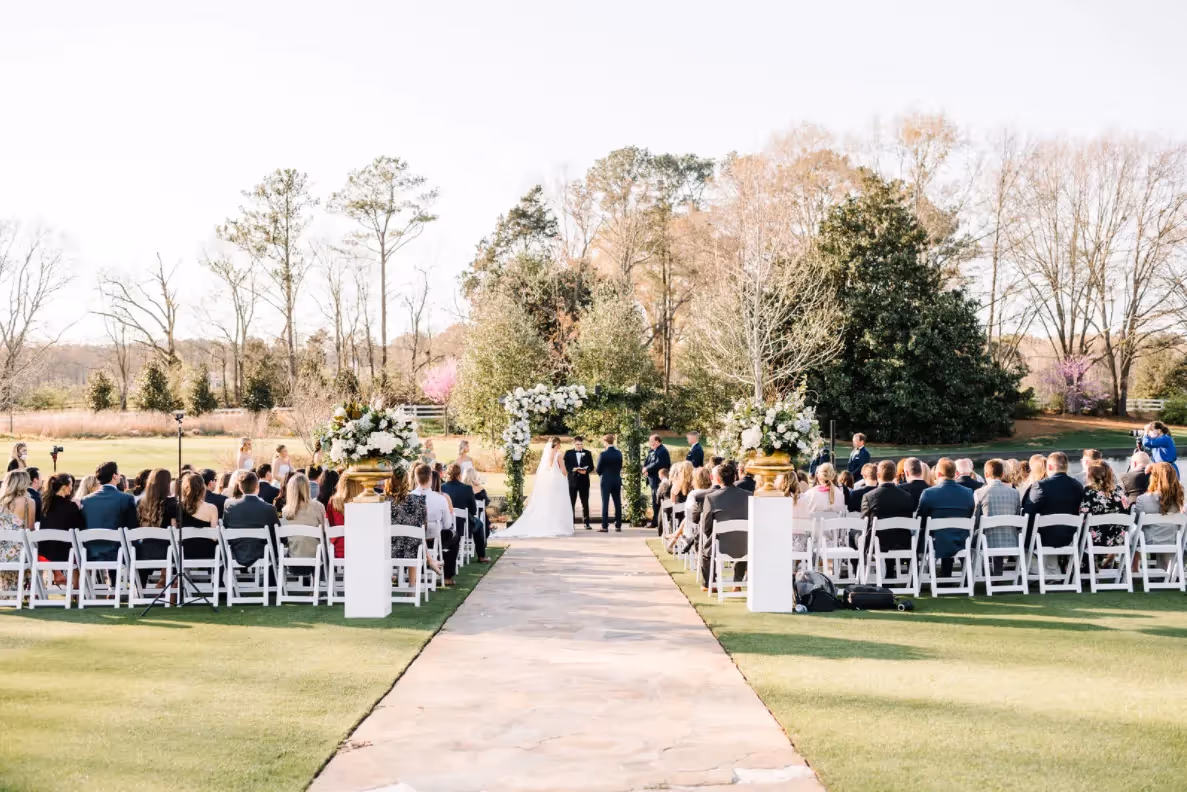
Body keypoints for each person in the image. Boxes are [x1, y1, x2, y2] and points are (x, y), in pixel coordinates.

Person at [500, 437, 574, 539]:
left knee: (549, 502)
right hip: (558, 481)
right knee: (558, 502)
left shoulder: (547, 455)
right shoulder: (559, 454)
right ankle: (557, 525)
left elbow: (547, 468)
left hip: (549, 482)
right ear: (557, 444)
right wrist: (568, 473)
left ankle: (548, 524)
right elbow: (564, 471)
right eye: (559, 444)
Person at [916, 458, 975, 578]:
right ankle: (946, 575)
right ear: (956, 473)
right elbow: (970, 514)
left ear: (938, 474)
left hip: (936, 542)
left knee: (921, 533)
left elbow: (920, 519)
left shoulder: (928, 493)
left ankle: (916, 576)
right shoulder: (968, 492)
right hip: (960, 540)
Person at [1022, 452, 1084, 562]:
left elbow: (1028, 511)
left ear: (1049, 466)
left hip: (1043, 538)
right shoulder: (1077, 486)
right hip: (1070, 538)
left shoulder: (1040, 485)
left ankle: (1035, 569)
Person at [698, 461, 751, 588]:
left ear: (718, 479)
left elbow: (706, 526)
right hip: (746, 545)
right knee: (743, 539)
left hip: (721, 546)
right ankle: (737, 581)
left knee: (705, 548)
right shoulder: (749, 495)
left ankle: (709, 584)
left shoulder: (711, 498)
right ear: (735, 477)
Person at [861, 460, 917, 577]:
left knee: (856, 535)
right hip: (903, 541)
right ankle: (890, 571)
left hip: (878, 542)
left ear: (878, 475)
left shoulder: (869, 496)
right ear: (895, 475)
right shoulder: (907, 496)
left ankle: (860, 572)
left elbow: (864, 524)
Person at [386, 467, 442, 586]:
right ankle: (413, 583)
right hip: (413, 550)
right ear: (407, 482)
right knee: (415, 537)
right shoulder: (418, 500)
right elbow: (423, 527)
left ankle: (389, 578)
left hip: (387, 549)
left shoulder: (382, 501)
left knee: (410, 538)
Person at [79, 462, 138, 570]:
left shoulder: (85, 500)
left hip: (90, 553)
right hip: (117, 553)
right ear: (114, 476)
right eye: (118, 473)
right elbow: (132, 528)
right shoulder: (126, 499)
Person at [222, 472, 280, 569]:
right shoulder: (269, 508)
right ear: (258, 486)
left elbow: (225, 526)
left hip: (236, 552)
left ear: (240, 487)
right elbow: (277, 533)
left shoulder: (229, 505)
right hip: (262, 553)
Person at [974, 459, 1023, 574]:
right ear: (1002, 474)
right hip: (1011, 540)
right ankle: (997, 572)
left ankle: (972, 575)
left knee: (975, 535)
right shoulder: (1015, 493)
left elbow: (975, 520)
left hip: (987, 542)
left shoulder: (979, 492)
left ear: (986, 474)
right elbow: (1017, 516)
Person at [1133, 462, 1185, 568]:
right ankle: (1169, 570)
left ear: (1153, 478)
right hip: (1174, 541)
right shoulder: (1180, 500)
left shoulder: (1142, 499)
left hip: (1149, 541)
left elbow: (1137, 523)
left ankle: (1133, 569)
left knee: (1130, 534)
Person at [410, 463, 454, 584]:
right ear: (430, 478)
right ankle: (448, 575)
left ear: (415, 478)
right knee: (453, 537)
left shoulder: (409, 497)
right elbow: (447, 524)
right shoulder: (440, 498)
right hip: (434, 536)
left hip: (412, 539)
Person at [38, 473, 83, 587]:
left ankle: (57, 572)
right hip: (65, 555)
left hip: (43, 555)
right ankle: (77, 589)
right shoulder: (71, 506)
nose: (72, 488)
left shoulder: (44, 505)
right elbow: (78, 528)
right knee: (78, 550)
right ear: (65, 487)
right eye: (71, 485)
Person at [135, 468, 177, 587]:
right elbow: (174, 530)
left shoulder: (140, 504)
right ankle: (167, 582)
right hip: (167, 553)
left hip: (142, 552)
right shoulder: (172, 504)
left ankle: (140, 587)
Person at [0, 471, 35, 592]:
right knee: (33, 547)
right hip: (18, 552)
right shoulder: (28, 502)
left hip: (1, 551)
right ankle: (29, 587)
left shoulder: (1, 501)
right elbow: (30, 529)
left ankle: (8, 591)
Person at [278, 473, 326, 562]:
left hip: (293, 557)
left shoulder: (285, 511)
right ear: (307, 488)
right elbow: (324, 531)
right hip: (317, 558)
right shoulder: (318, 507)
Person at [1079, 461, 1128, 547]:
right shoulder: (1119, 491)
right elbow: (1126, 513)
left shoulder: (1088, 491)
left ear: (1090, 475)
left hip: (1094, 540)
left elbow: (1082, 516)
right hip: (1117, 539)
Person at [441, 463, 477, 577]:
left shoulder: (442, 487)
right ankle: (481, 554)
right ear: (459, 475)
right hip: (462, 525)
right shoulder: (467, 488)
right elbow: (474, 510)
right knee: (480, 525)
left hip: (445, 526)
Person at [179, 472, 220, 559]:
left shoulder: (178, 507)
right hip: (207, 552)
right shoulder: (211, 508)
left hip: (184, 553)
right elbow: (214, 537)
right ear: (203, 488)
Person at [563, 436, 593, 530]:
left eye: (581, 444)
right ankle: (571, 523)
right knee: (571, 503)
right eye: (577, 444)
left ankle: (587, 523)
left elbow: (591, 466)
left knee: (585, 502)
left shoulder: (588, 453)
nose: (579, 446)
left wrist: (586, 471)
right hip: (572, 481)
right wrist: (573, 469)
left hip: (584, 481)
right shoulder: (568, 453)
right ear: (574, 443)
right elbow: (565, 465)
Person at [644, 434, 671, 530]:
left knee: (658, 502)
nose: (650, 443)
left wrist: (647, 468)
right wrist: (645, 468)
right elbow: (648, 461)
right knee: (654, 502)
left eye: (652, 441)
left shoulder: (662, 451)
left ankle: (658, 522)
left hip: (657, 480)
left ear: (657, 441)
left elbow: (659, 463)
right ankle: (655, 521)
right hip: (652, 480)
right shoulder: (653, 450)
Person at [462, 468, 491, 562]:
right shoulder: (480, 489)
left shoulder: (462, 488)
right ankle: (481, 555)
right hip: (474, 520)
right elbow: (486, 503)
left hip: (461, 521)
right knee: (482, 518)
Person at [596, 434, 623, 533]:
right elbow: (620, 466)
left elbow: (598, 469)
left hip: (606, 480)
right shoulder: (619, 453)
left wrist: (603, 475)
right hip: (616, 479)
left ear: (606, 442)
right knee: (617, 503)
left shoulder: (603, 454)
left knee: (605, 503)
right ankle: (618, 525)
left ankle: (605, 526)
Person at [325, 472, 348, 558]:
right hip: (360, 548)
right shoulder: (362, 502)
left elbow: (329, 524)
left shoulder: (333, 501)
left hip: (338, 549)